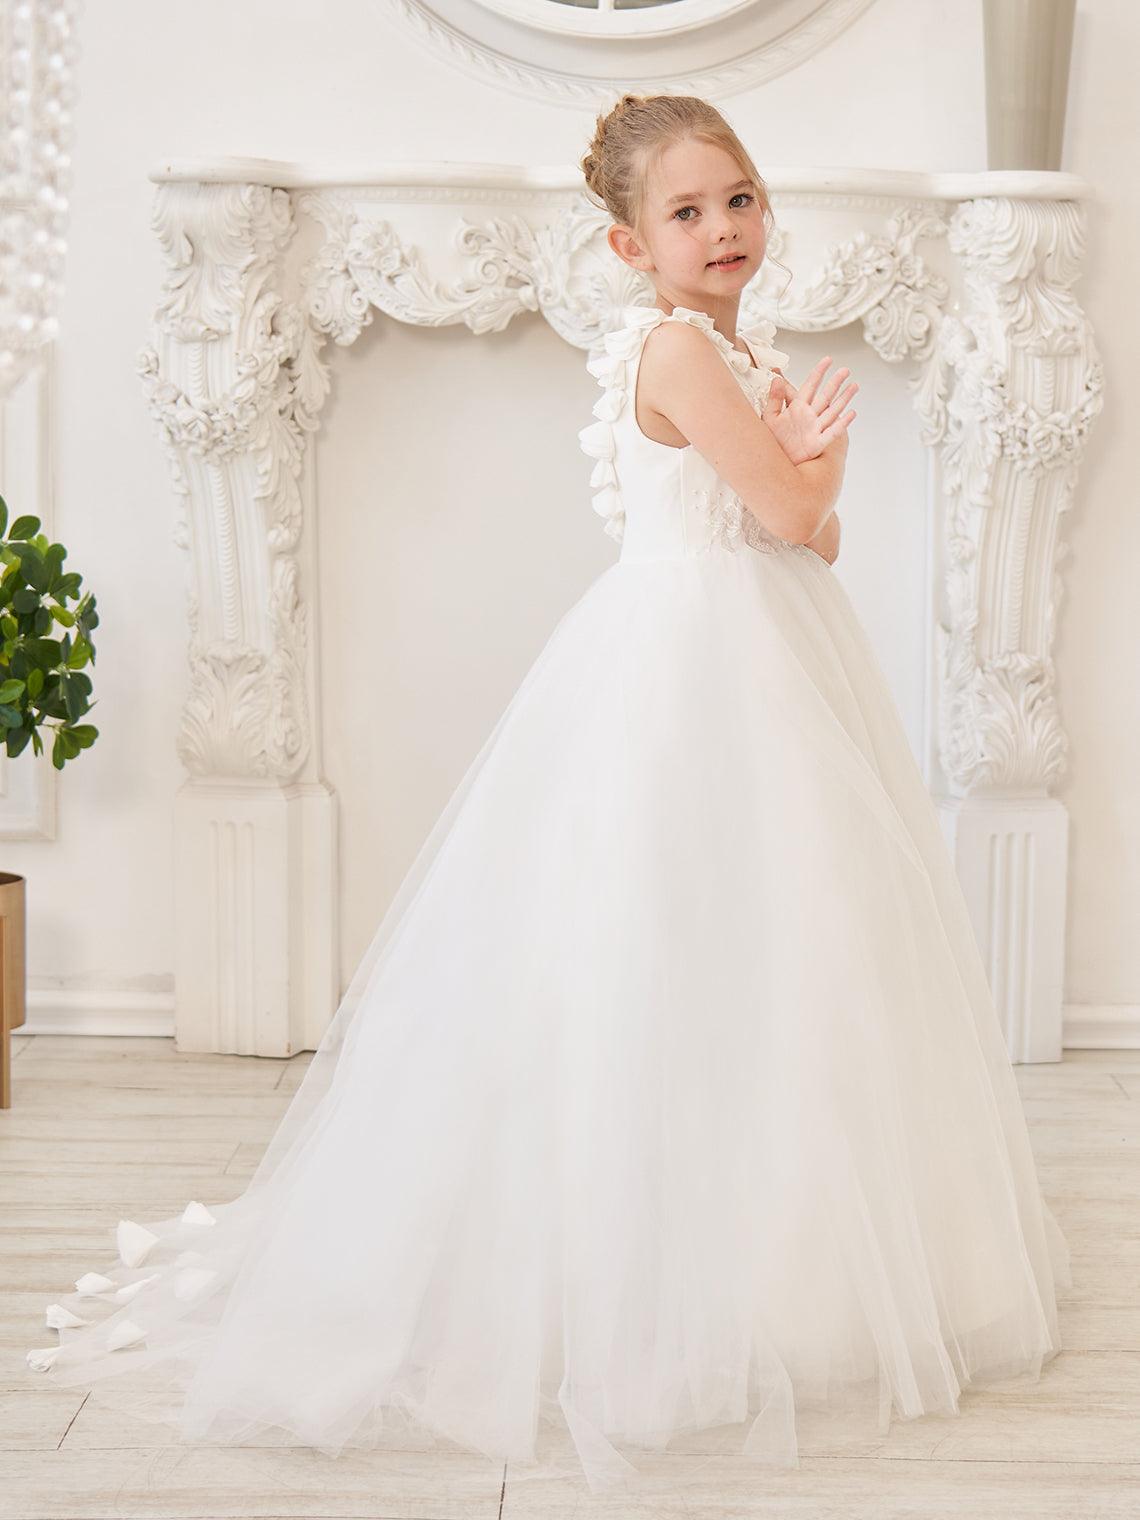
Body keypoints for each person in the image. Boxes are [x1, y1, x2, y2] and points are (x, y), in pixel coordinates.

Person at [26, 92, 1071, 1497]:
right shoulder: (680, 352)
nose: (723, 227)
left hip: (763, 651)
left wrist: (806, 465)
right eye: (686, 212)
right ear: (631, 246)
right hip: (691, 668)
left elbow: (809, 544)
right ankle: (654, 1274)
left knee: (769, 956)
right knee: (670, 951)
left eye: (739, 198)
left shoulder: (737, 351)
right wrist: (821, 454)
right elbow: (790, 512)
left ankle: (764, 1264)